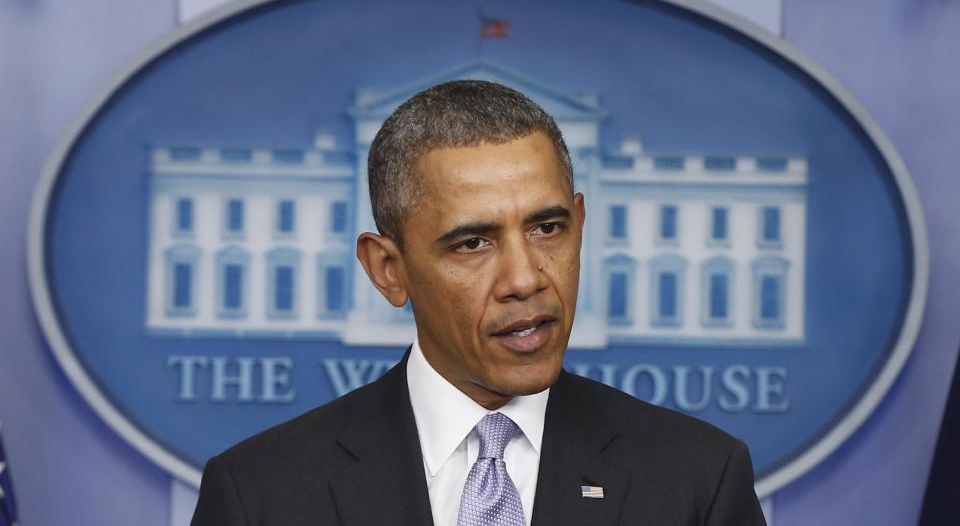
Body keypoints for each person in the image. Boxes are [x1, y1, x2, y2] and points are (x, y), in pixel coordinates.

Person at [191, 80, 766, 525]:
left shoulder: (698, 480)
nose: (525, 278)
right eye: (473, 242)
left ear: (581, 225)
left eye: (547, 229)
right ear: (388, 270)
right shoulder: (260, 495)